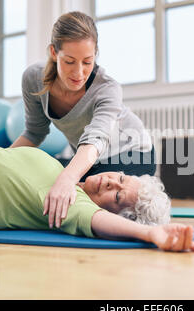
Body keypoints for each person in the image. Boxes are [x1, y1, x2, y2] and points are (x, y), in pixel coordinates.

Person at [0, 125, 194, 252]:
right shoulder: (66, 174)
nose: (110, 181)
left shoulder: (71, 207)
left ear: (118, 216)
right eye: (120, 176)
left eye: (117, 196)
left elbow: (97, 222)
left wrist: (150, 233)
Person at [10, 11, 155, 235]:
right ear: (53, 52)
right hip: (88, 156)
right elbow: (34, 132)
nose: (79, 72)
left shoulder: (107, 88)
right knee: (46, 178)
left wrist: (68, 178)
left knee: (78, 199)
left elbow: (96, 139)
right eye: (69, 61)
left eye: (87, 62)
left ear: (95, 55)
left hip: (131, 153)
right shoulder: (32, 78)